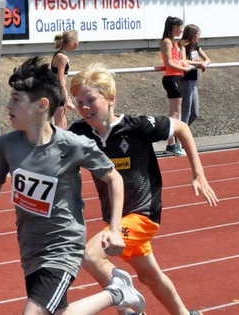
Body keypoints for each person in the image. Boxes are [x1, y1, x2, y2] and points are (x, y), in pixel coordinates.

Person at [0, 56, 146, 315]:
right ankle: (118, 293)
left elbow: (113, 178)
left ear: (42, 106)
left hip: (64, 246)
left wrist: (115, 229)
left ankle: (118, 292)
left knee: (34, 313)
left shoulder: (73, 145)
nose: (8, 105)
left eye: (16, 99)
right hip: (30, 249)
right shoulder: (5, 146)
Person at [69, 63, 219, 315]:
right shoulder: (80, 133)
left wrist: (198, 173)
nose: (84, 107)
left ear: (111, 98)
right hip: (118, 219)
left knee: (91, 255)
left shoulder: (137, 126)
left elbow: (181, 127)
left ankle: (127, 305)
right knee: (151, 277)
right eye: (79, 101)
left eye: (91, 100)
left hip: (143, 215)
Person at [160, 16, 193, 156]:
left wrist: (185, 65)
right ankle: (171, 144)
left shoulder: (174, 42)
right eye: (180, 27)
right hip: (172, 78)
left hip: (177, 77)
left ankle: (173, 144)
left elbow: (177, 60)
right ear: (174, 27)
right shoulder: (167, 42)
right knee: (175, 112)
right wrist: (184, 68)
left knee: (177, 112)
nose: (182, 30)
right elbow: (168, 63)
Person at [179, 24, 211, 127]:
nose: (199, 37)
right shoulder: (183, 46)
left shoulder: (196, 47)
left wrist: (205, 63)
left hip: (193, 81)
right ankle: (180, 136)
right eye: (198, 35)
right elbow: (183, 60)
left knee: (194, 113)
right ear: (192, 35)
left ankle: (181, 133)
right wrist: (199, 64)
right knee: (186, 112)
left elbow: (207, 59)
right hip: (185, 80)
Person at [51, 29, 79, 129]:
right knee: (60, 125)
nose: (78, 43)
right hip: (57, 91)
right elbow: (60, 79)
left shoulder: (62, 55)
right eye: (76, 40)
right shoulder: (61, 57)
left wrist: (66, 96)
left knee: (63, 123)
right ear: (70, 42)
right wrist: (66, 99)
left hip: (59, 91)